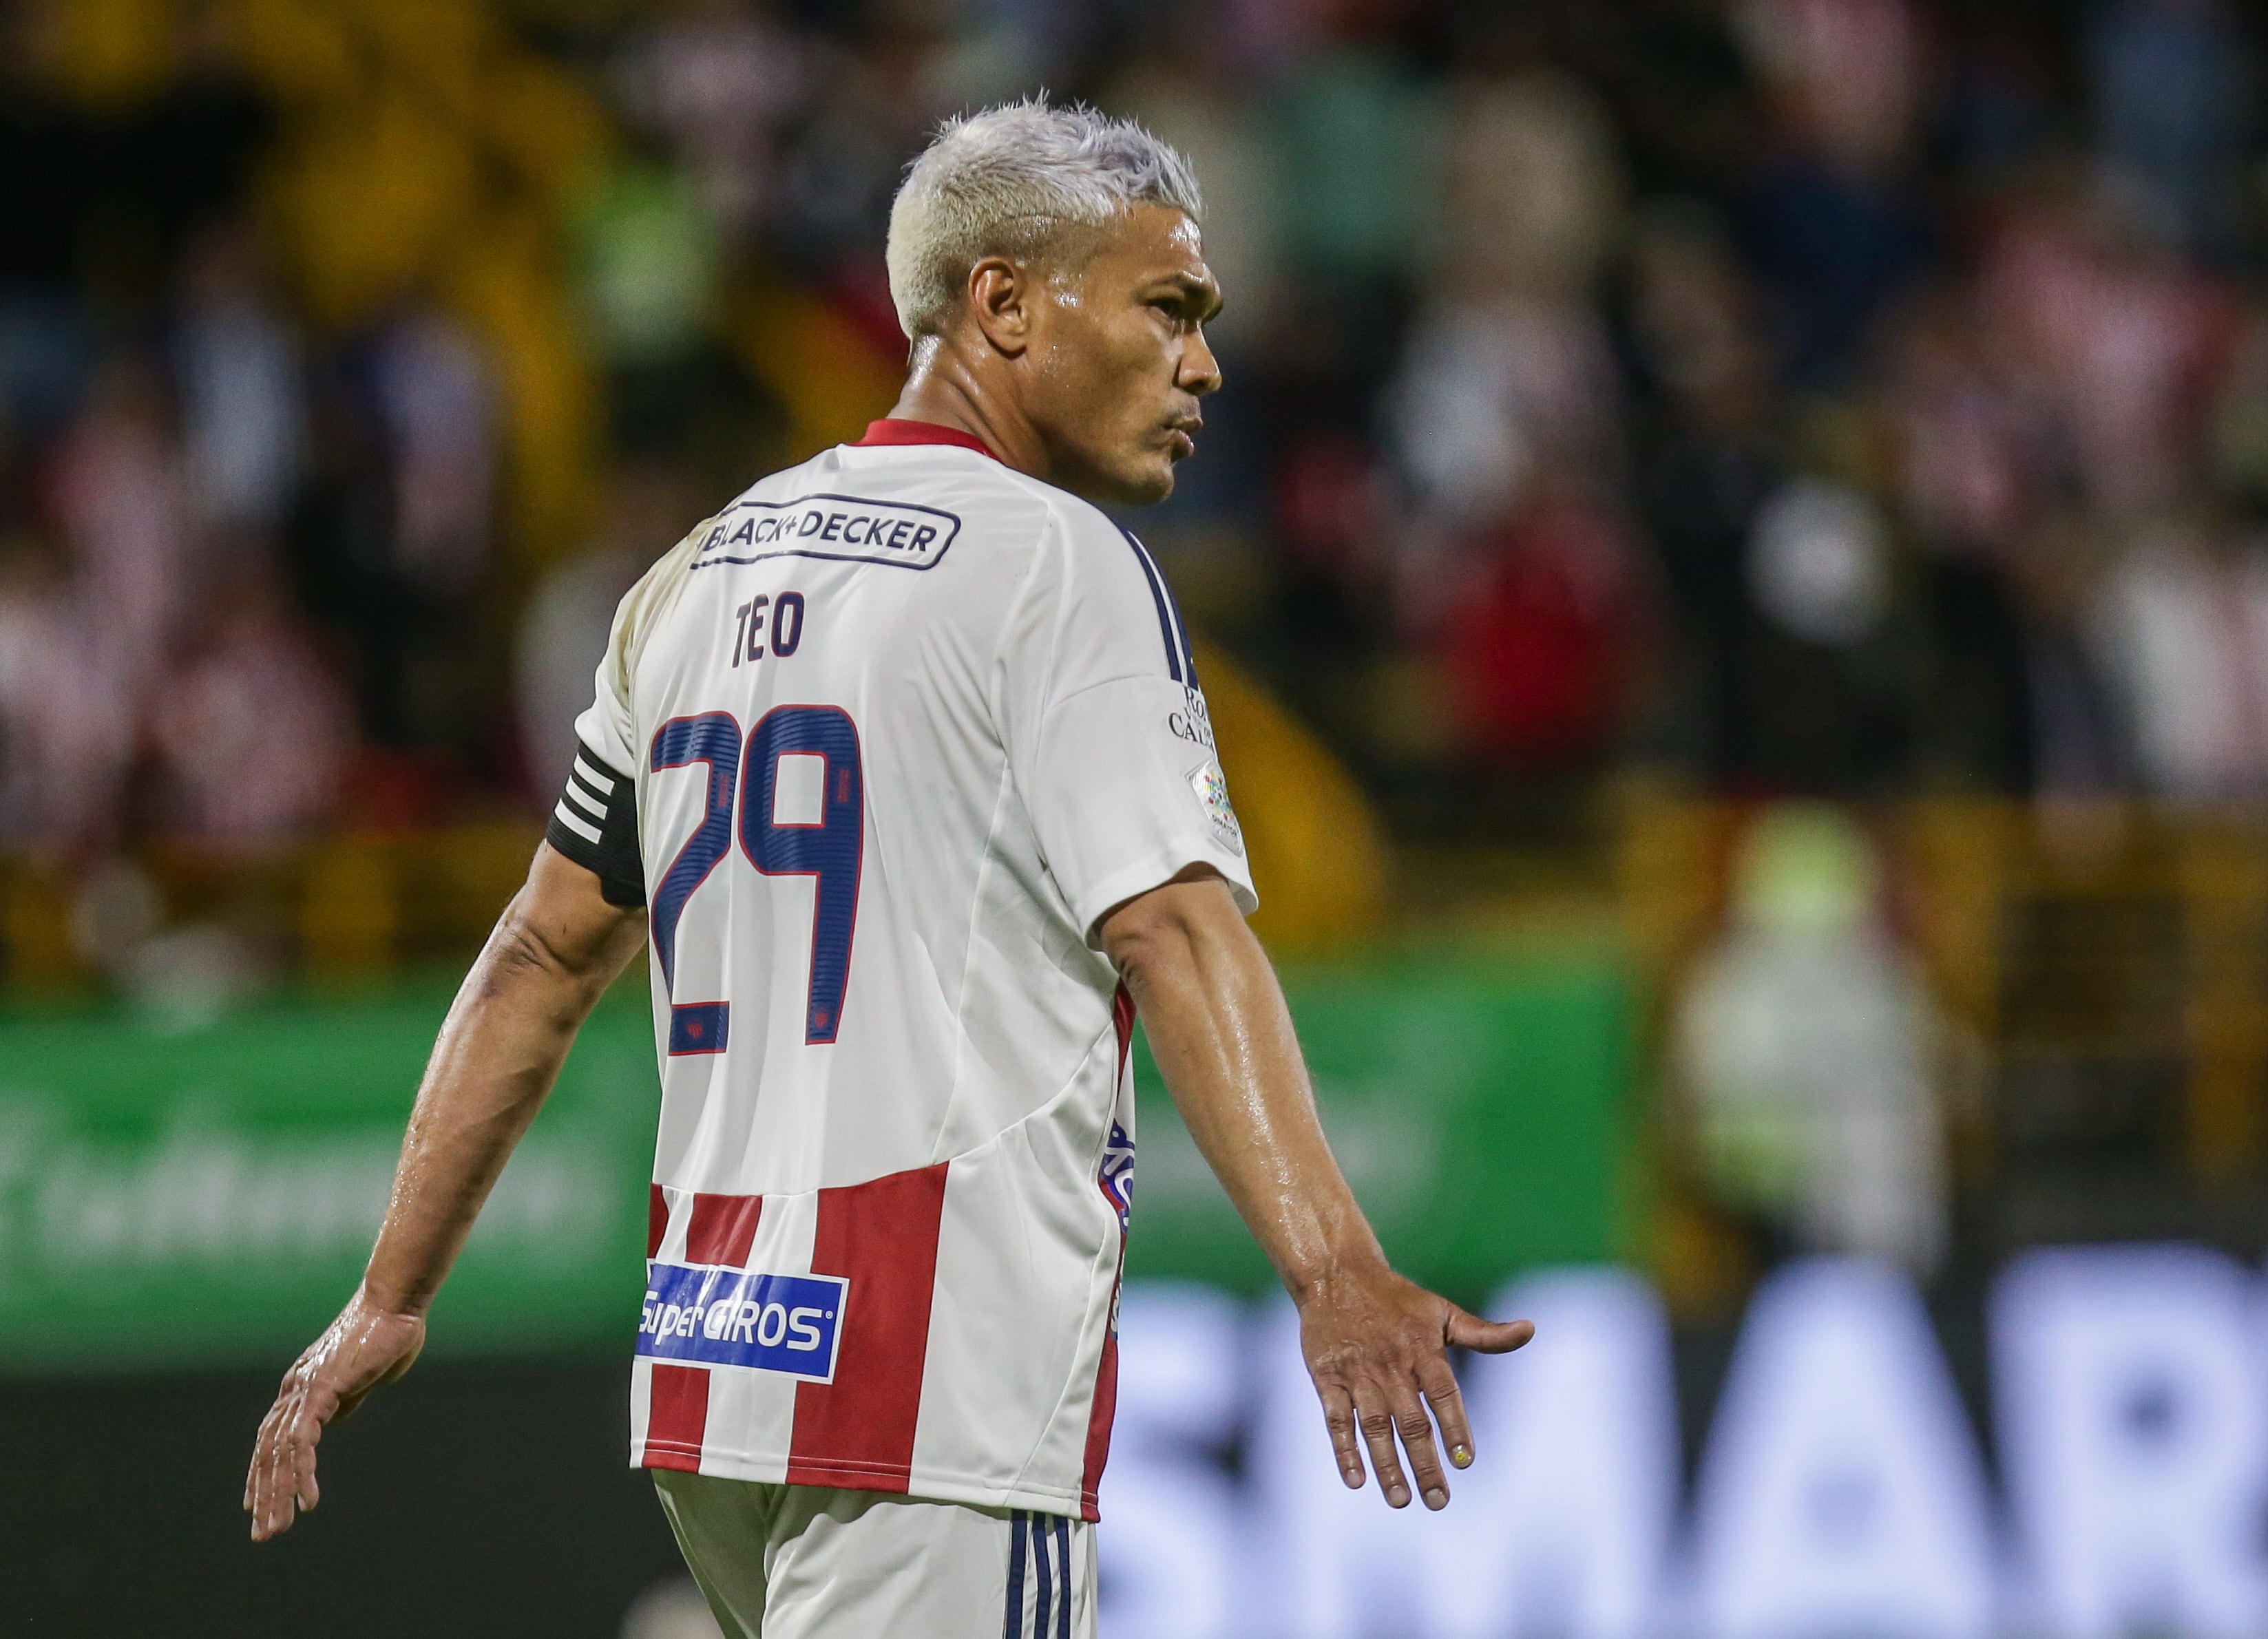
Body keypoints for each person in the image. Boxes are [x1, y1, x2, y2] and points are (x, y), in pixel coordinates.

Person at [243, 98, 1532, 1635]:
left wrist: (389, 1295)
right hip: (933, 1393)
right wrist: (1334, 1270)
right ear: (1000, 301)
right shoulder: (1058, 566)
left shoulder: (699, 570)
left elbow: (539, 955)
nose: (1206, 366)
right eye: (1169, 308)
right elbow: (1178, 934)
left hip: (720, 1376)